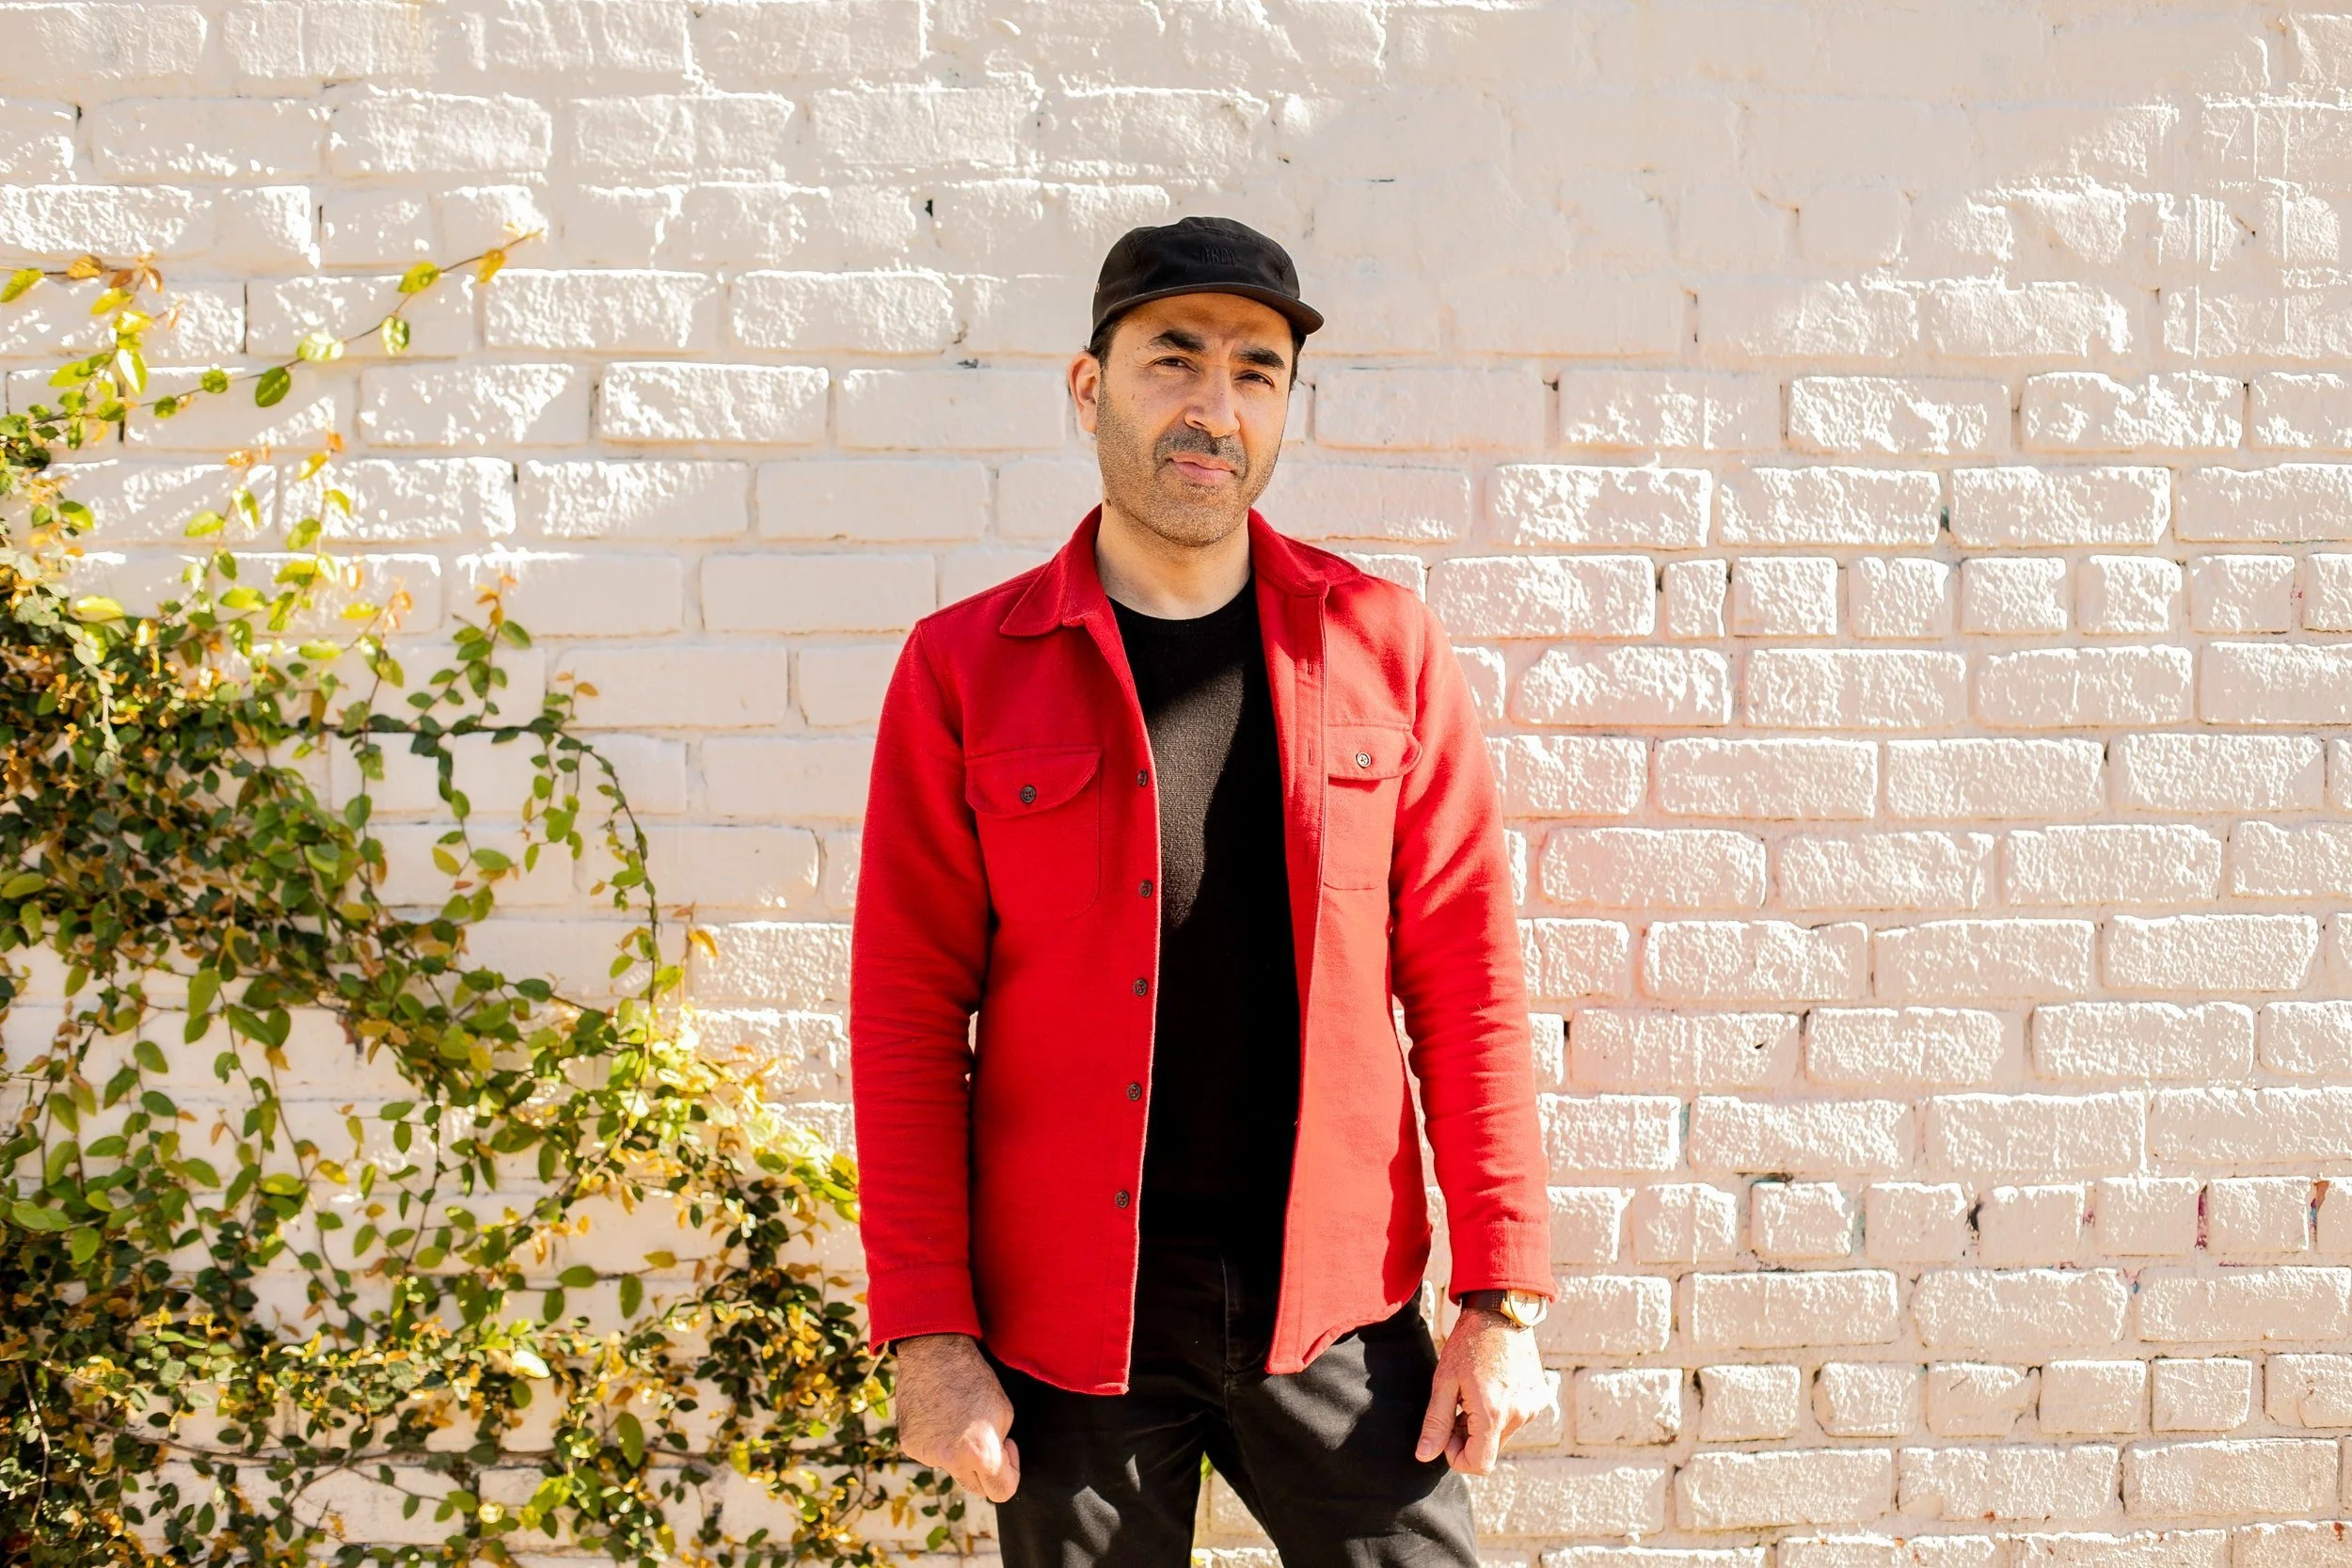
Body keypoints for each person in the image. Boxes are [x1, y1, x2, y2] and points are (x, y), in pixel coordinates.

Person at [850, 215, 1555, 1568]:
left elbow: (1468, 984)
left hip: (1337, 1301)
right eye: (1173, 359)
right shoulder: (963, 670)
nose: (1212, 406)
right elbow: (905, 1015)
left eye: (1255, 370)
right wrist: (930, 1335)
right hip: (1070, 1327)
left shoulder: (1385, 648)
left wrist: (1499, 1298)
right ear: (1087, 386)